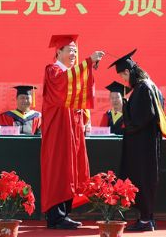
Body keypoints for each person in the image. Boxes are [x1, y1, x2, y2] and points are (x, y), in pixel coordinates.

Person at [41, 34, 105, 230]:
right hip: (58, 129)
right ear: (58, 52)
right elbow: (63, 86)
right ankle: (56, 216)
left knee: (71, 168)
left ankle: (64, 214)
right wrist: (88, 63)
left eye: (76, 51)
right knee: (59, 168)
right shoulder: (53, 71)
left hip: (72, 128)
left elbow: (81, 89)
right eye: (70, 50)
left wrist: (88, 68)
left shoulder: (71, 73)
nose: (74, 54)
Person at [110, 50, 166, 231]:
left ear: (128, 71)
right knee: (147, 179)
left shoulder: (143, 88)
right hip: (148, 143)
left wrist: (125, 108)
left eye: (122, 76)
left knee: (143, 179)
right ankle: (147, 217)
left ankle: (145, 220)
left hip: (143, 145)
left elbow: (140, 119)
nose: (123, 80)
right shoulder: (151, 86)